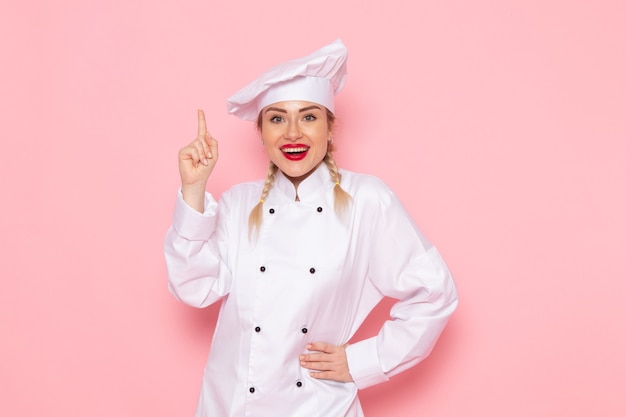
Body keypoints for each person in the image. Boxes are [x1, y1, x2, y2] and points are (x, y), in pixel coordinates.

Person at [164, 39, 458, 417]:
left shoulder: (367, 200)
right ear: (262, 133)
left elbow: (435, 292)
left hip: (318, 407)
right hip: (231, 405)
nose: (292, 133)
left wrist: (364, 360)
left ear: (330, 129)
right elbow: (193, 288)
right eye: (276, 119)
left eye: (308, 116)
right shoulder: (238, 204)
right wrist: (193, 190)